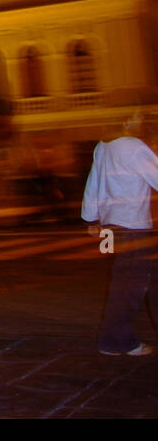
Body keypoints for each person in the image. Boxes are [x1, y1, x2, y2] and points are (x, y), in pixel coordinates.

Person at [82, 111, 157, 356]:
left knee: (127, 281)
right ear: (126, 119)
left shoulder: (103, 146)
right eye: (137, 115)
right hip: (132, 226)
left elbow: (94, 183)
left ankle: (114, 339)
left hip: (111, 227)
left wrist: (91, 218)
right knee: (131, 285)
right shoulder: (133, 146)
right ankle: (116, 341)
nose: (140, 120)